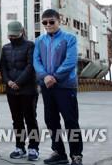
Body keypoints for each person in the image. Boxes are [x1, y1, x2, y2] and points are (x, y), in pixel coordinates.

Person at [33, 9, 83, 165]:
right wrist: (45, 76)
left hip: (65, 86)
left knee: (70, 121)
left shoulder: (70, 39)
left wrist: (54, 77)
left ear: (58, 21)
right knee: (51, 121)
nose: (48, 25)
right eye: (45, 22)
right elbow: (36, 61)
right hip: (47, 86)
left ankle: (76, 155)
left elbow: (70, 61)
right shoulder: (39, 41)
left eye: (51, 22)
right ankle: (59, 153)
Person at [0, 21, 40, 161]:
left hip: (28, 90)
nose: (12, 38)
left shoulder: (30, 46)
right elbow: (3, 67)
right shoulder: (5, 48)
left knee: (30, 120)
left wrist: (18, 82)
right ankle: (20, 147)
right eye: (10, 35)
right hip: (11, 91)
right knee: (16, 120)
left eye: (14, 35)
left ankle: (34, 148)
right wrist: (9, 82)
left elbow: (31, 66)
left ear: (21, 32)